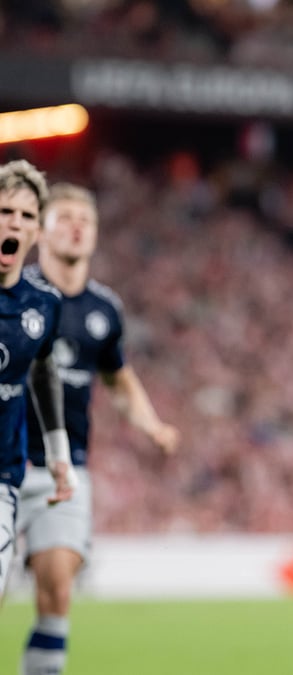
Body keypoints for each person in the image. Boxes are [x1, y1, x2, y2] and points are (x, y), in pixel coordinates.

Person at [16, 181, 179, 674]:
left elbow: (119, 381)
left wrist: (151, 424)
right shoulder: (14, 294)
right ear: (40, 231)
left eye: (85, 220)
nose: (76, 227)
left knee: (58, 583)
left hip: (67, 469)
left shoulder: (103, 310)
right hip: (8, 462)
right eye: (64, 217)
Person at [0, 160, 74, 606]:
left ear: (37, 233)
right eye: (6, 211)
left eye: (27, 216)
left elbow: (44, 372)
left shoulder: (43, 304)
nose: (16, 223)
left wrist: (58, 453)